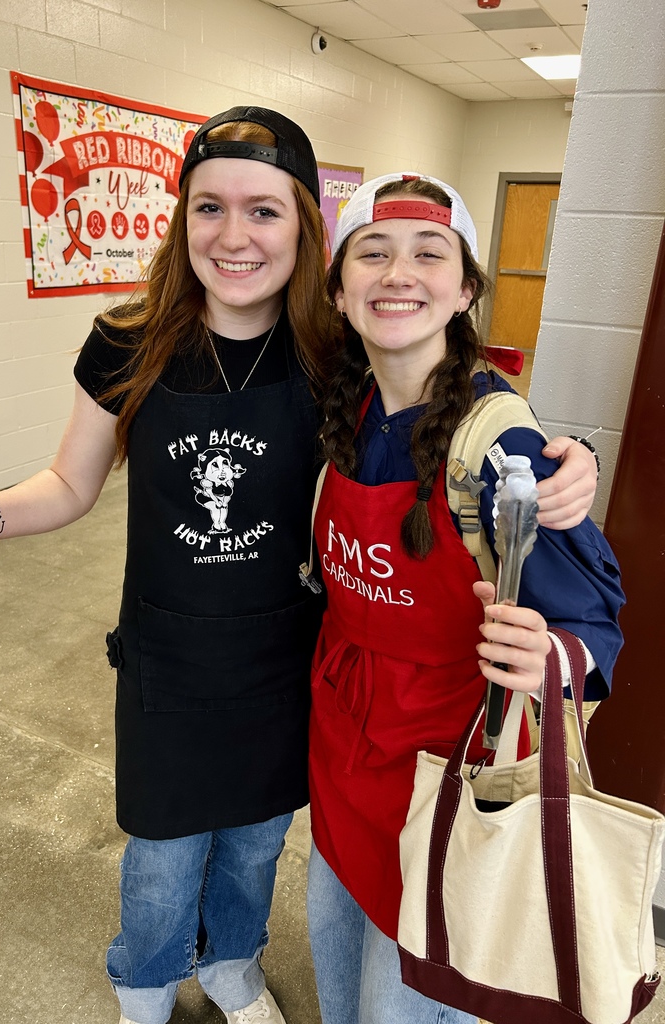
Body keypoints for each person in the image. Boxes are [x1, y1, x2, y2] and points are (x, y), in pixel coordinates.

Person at [0, 108, 599, 1024]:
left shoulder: (332, 352)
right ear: (181, 220)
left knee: (255, 843)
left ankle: (233, 966)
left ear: (304, 232)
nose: (234, 236)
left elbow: (446, 392)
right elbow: (69, 483)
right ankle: (143, 976)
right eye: (210, 207)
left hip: (288, 657)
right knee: (162, 853)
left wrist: (561, 455)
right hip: (168, 657)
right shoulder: (129, 340)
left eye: (264, 212)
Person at [304, 171, 625, 1024]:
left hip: (444, 780)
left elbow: (594, 620)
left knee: (399, 1003)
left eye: (428, 254)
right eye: (371, 254)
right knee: (337, 981)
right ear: (339, 292)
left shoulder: (500, 444)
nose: (397, 273)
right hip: (344, 755)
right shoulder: (345, 408)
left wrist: (553, 655)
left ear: (464, 290)